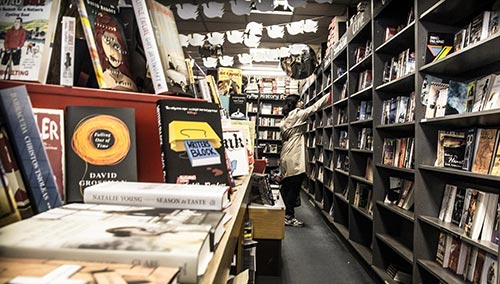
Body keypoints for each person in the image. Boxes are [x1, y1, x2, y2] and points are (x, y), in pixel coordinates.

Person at [279, 93, 330, 227]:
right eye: (300, 101)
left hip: (286, 154)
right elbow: (314, 107)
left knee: (287, 186)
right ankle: (288, 216)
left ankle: (284, 213)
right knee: (294, 187)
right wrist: (330, 94)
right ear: (294, 103)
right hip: (295, 155)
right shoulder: (297, 114)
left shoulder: (284, 119)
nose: (302, 102)